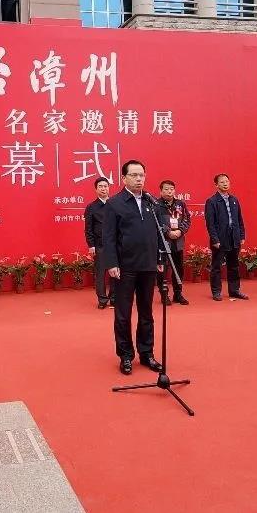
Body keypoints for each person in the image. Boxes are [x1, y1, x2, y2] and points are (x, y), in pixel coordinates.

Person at [102, 160, 164, 376]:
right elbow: (108, 237)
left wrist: (159, 258)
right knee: (123, 313)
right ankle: (126, 355)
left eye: (142, 175)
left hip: (148, 265)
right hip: (124, 267)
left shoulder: (151, 202)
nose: (139, 179)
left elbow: (158, 233)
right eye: (134, 175)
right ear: (124, 178)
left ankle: (147, 353)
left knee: (146, 312)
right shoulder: (114, 204)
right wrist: (111, 263)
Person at [204, 174, 249, 301]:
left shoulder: (234, 200)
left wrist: (241, 235)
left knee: (234, 266)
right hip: (220, 238)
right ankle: (216, 292)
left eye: (227, 181)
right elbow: (210, 223)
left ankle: (234, 290)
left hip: (234, 237)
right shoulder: (212, 201)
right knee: (217, 266)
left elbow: (240, 220)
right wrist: (215, 239)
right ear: (216, 185)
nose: (225, 184)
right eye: (222, 182)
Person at [156, 180, 191, 306]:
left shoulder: (180, 204)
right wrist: (168, 232)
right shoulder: (156, 205)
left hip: (178, 242)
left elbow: (187, 219)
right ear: (161, 191)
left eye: (171, 189)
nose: (169, 191)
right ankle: (164, 294)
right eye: (166, 189)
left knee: (179, 269)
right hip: (163, 243)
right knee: (163, 270)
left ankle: (178, 294)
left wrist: (180, 231)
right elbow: (156, 222)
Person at [84, 177, 115, 309]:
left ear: (109, 188)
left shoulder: (115, 204)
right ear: (96, 189)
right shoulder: (91, 207)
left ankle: (114, 298)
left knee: (116, 273)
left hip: (115, 245)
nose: (103, 189)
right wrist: (91, 245)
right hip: (99, 245)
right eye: (100, 186)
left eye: (105, 186)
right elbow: (88, 229)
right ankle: (102, 300)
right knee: (100, 274)